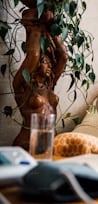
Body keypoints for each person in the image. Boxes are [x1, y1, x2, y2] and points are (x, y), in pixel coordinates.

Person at [12, 8, 67, 150]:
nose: (49, 66)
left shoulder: (50, 86)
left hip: (50, 143)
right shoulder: (22, 85)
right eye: (45, 62)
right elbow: (34, 54)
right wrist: (37, 28)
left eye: (50, 63)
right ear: (35, 66)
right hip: (27, 145)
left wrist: (53, 29)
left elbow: (63, 56)